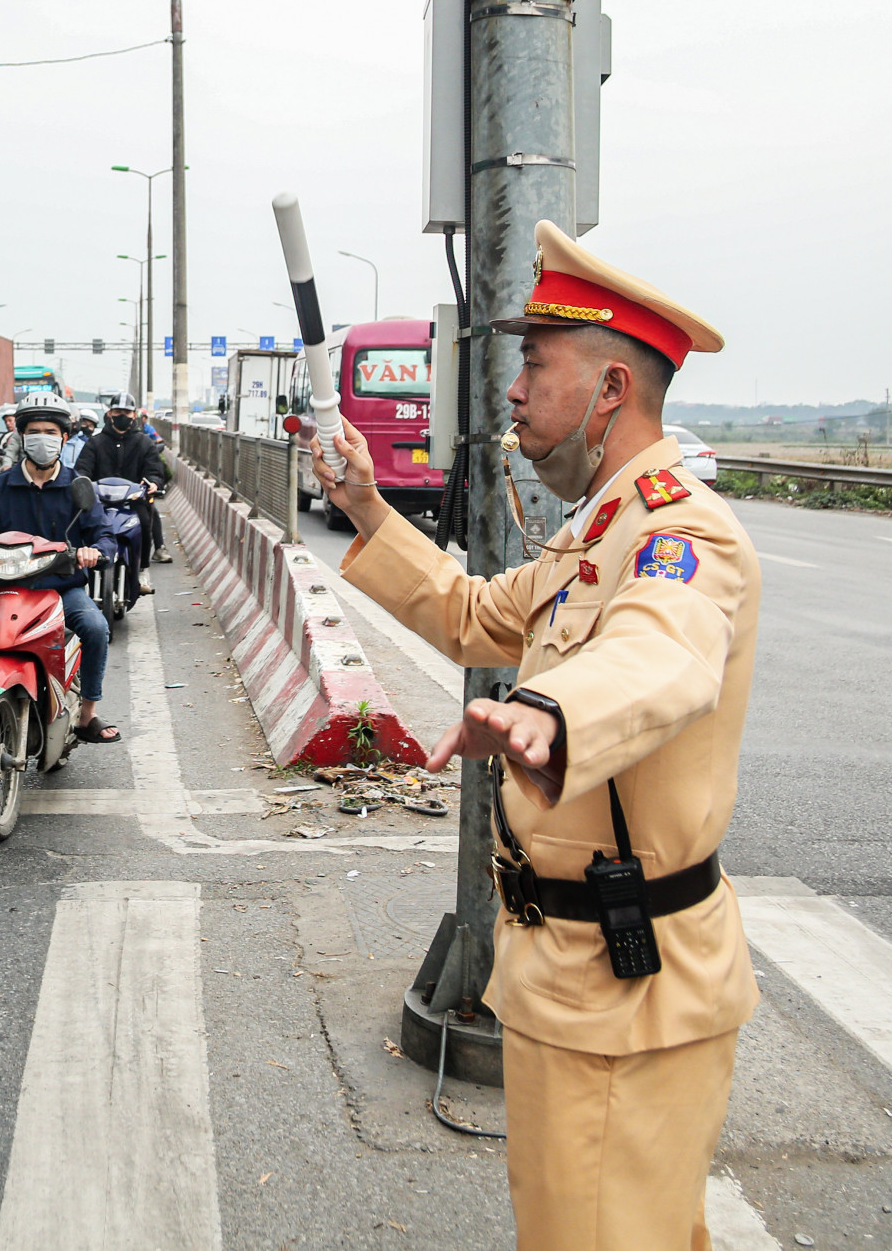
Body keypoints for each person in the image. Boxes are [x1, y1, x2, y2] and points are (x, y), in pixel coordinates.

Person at [312, 220, 758, 1251]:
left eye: (534, 363)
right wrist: (367, 509)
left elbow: (665, 655)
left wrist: (549, 714)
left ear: (609, 390)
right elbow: (474, 614)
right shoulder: (599, 528)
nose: (510, 392)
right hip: (576, 976)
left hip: (624, 991)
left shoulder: (678, 530)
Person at [0, 392, 123, 745]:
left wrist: (94, 551)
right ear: (21, 437)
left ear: (64, 437)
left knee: (95, 627)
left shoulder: (77, 487)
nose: (43, 438)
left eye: (51, 432)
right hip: (3, 589)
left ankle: (87, 714)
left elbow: (104, 534)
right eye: (35, 431)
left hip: (60, 589)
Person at [76, 393, 172, 577]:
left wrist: (152, 483)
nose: (122, 416)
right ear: (110, 413)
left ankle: (142, 571)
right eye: (118, 411)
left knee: (145, 522)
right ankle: (82, 570)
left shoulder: (144, 443)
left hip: (133, 501)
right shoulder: (95, 442)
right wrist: (83, 484)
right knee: (81, 523)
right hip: (99, 501)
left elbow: (154, 470)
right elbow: (83, 469)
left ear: (134, 415)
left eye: (126, 412)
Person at [62, 405, 100, 470]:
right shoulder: (60, 438)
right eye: (84, 423)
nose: (86, 428)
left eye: (90, 426)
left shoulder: (87, 443)